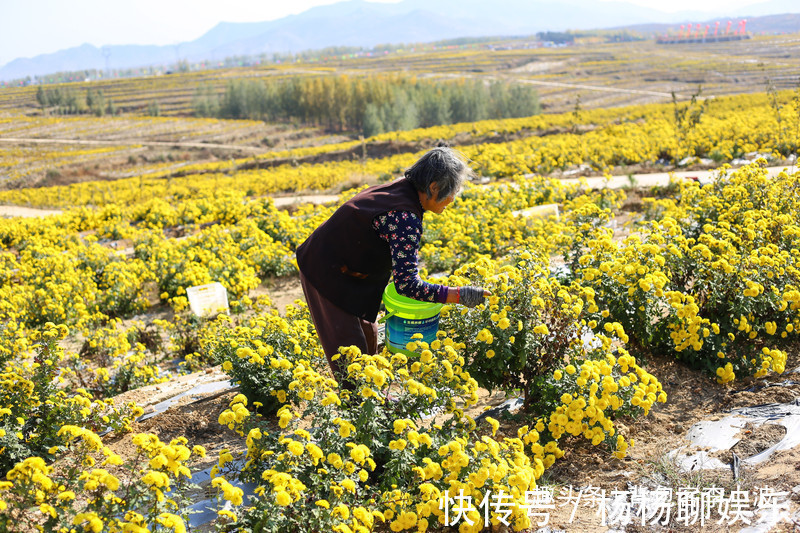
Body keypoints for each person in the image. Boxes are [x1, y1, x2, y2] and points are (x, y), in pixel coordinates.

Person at [296, 146, 489, 386]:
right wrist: (460, 295)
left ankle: (375, 400)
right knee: (349, 354)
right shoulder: (404, 217)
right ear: (434, 188)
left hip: (350, 271)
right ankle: (359, 409)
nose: (453, 199)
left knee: (369, 337)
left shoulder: (405, 191)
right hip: (325, 270)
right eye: (453, 191)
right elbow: (407, 285)